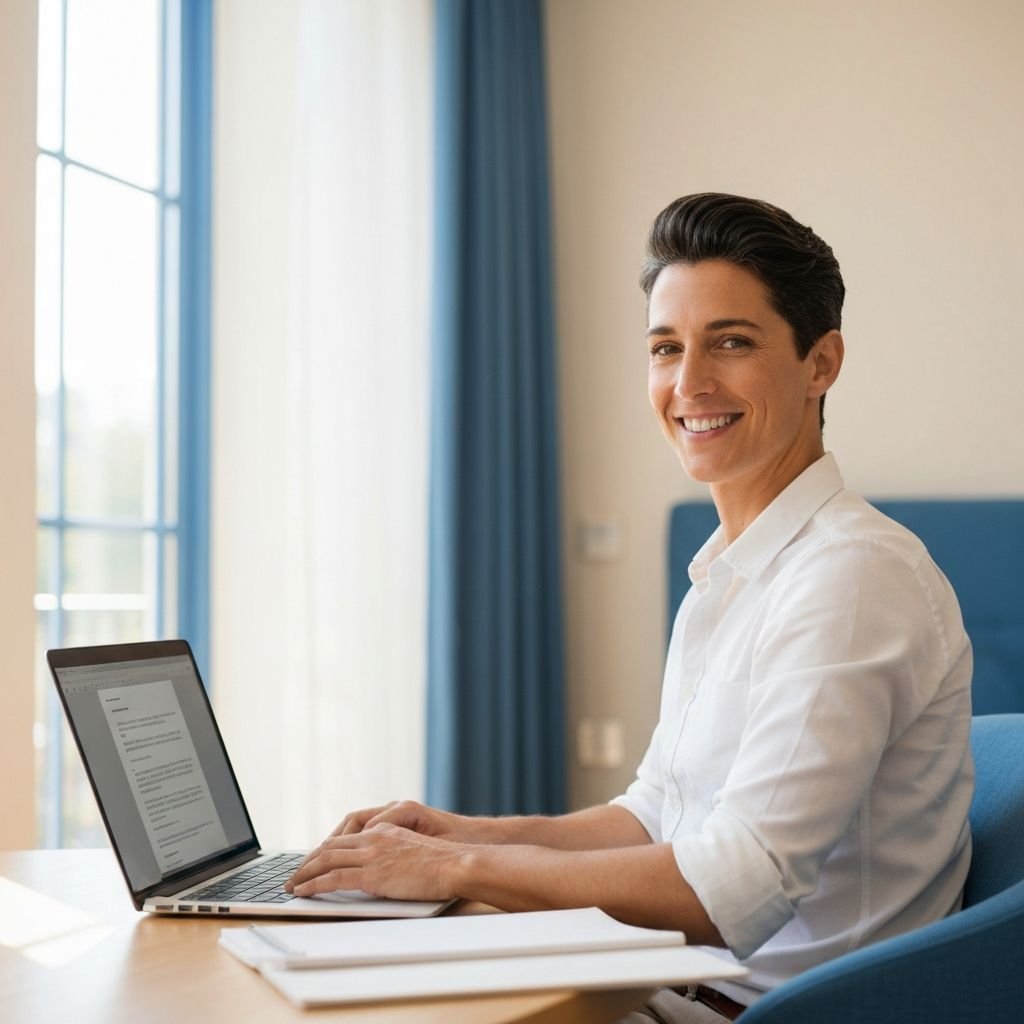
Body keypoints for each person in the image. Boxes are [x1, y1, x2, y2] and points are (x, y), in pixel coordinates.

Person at [285, 193, 974, 1022]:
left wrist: (456, 871)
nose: (689, 383)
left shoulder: (852, 577)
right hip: (667, 986)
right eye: (665, 348)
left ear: (820, 363)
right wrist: (456, 833)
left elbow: (733, 886)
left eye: (731, 342)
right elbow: (654, 815)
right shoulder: (730, 575)